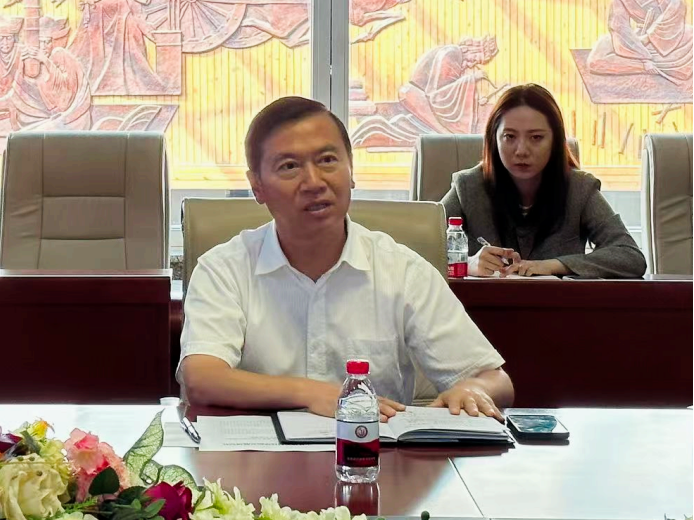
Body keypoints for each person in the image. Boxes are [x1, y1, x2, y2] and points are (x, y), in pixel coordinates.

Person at [179, 96, 514, 421]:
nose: (314, 182)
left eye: (327, 160)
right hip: (253, 456)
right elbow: (202, 377)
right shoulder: (223, 269)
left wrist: (472, 389)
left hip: (373, 453)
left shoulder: (402, 270)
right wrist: (311, 393)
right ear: (257, 186)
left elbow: (495, 380)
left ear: (351, 170)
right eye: (289, 166)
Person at [441, 83, 647, 279]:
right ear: (494, 139)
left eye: (536, 137)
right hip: (479, 304)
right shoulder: (468, 186)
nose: (521, 151)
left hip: (558, 303)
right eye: (510, 137)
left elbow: (630, 256)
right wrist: (467, 263)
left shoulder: (579, 189)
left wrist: (554, 265)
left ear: (555, 141)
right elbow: (421, 249)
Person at [0, 17, 92, 131]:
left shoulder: (60, 54)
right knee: (24, 133)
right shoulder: (36, 63)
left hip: (71, 117)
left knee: (32, 134)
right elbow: (19, 90)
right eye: (40, 42)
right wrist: (23, 65)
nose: (43, 47)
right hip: (49, 116)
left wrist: (45, 60)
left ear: (52, 42)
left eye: (47, 42)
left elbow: (65, 96)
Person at [399, 35, 498, 134]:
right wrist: (472, 78)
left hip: (420, 97)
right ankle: (448, 134)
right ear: (470, 49)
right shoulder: (452, 54)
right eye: (474, 59)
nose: (471, 65)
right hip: (415, 95)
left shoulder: (455, 54)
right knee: (445, 132)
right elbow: (436, 96)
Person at [587, 0, 693, 84]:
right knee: (595, 60)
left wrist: (648, 37)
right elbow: (619, 26)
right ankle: (647, 67)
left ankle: (659, 66)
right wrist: (642, 56)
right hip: (637, 37)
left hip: (670, 36)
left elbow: (676, 7)